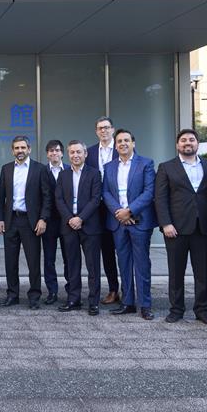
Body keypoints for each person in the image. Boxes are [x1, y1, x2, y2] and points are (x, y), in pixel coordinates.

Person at [154, 129, 207, 325]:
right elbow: (160, 198)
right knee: (176, 272)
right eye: (183, 140)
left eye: (191, 139)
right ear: (177, 145)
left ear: (197, 143)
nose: (187, 143)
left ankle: (202, 311)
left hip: (202, 228)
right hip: (175, 229)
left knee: (202, 273)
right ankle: (176, 309)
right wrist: (165, 223)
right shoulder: (166, 167)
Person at [102, 129, 157, 320]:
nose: (123, 144)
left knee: (142, 264)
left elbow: (149, 192)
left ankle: (145, 305)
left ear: (133, 143)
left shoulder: (146, 163)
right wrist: (119, 212)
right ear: (115, 146)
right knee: (124, 263)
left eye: (126, 140)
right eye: (119, 141)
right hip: (118, 222)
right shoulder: (109, 167)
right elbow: (106, 192)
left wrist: (130, 211)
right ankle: (128, 302)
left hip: (139, 222)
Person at [0, 135, 52, 309]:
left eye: (23, 147)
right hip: (11, 220)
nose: (20, 151)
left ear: (29, 149)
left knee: (33, 261)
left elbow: (47, 197)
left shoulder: (40, 169)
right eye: (17, 148)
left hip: (31, 222)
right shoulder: (6, 169)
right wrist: (0, 219)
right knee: (10, 261)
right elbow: (1, 197)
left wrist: (43, 219)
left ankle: (34, 296)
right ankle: (12, 295)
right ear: (12, 150)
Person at [54, 141, 103, 316]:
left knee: (93, 266)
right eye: (72, 152)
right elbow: (59, 199)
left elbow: (96, 199)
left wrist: (80, 218)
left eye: (79, 152)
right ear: (68, 154)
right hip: (69, 226)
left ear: (85, 154)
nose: (75, 155)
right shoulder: (63, 175)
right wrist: (70, 219)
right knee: (72, 265)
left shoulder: (94, 174)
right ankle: (73, 299)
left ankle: (93, 302)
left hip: (89, 225)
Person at [86, 116, 121, 305]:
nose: (104, 131)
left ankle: (129, 290)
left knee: (123, 250)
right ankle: (113, 289)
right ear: (96, 131)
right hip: (97, 208)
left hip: (118, 208)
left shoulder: (122, 147)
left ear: (112, 130)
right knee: (106, 251)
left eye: (107, 127)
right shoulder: (90, 152)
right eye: (100, 128)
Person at [43, 140, 70, 305]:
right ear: (47, 154)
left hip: (67, 221)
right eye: (51, 151)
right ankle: (52, 291)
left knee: (69, 257)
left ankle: (71, 289)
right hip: (49, 221)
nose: (54, 153)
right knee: (49, 258)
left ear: (62, 153)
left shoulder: (69, 169)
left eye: (57, 150)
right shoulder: (41, 171)